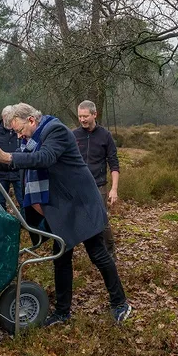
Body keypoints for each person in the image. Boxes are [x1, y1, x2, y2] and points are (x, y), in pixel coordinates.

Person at [0, 103, 132, 326]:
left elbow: (44, 158)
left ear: (31, 121)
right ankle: (63, 312)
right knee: (62, 258)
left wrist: (6, 157)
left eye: (19, 130)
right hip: (64, 208)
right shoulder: (34, 139)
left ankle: (120, 303)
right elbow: (23, 162)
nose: (19, 136)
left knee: (98, 255)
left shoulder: (56, 131)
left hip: (82, 204)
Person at [73, 100, 119, 257]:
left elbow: (114, 164)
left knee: (101, 221)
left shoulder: (105, 136)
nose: (83, 120)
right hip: (78, 186)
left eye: (85, 116)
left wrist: (114, 189)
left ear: (94, 114)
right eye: (80, 116)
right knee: (80, 219)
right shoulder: (74, 135)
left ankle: (110, 253)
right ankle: (93, 252)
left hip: (99, 185)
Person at [0, 105, 24, 211]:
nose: (7, 118)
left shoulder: (20, 130)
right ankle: (3, 224)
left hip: (18, 172)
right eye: (5, 116)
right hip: (1, 173)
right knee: (0, 202)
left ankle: (28, 225)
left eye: (10, 116)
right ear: (2, 116)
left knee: (23, 201)